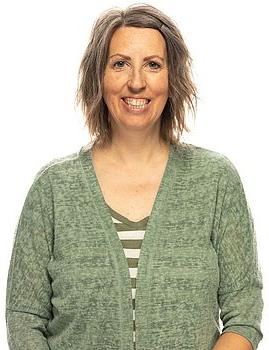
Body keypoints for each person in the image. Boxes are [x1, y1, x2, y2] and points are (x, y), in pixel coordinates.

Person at [5, 3, 263, 350]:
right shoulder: (53, 188)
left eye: (153, 65)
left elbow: (243, 313)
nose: (137, 82)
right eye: (120, 64)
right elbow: (24, 317)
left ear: (173, 80)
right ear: (99, 76)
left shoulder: (216, 181)